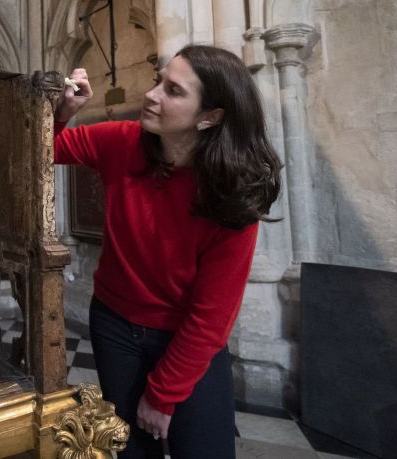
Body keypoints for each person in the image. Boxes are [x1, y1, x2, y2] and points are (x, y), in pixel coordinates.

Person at [54, 45, 282, 459]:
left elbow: (211, 318)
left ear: (210, 116)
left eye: (173, 90)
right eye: (158, 81)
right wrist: (63, 113)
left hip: (188, 340)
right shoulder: (123, 142)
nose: (153, 95)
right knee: (128, 450)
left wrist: (162, 397)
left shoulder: (232, 195)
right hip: (114, 327)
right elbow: (43, 150)